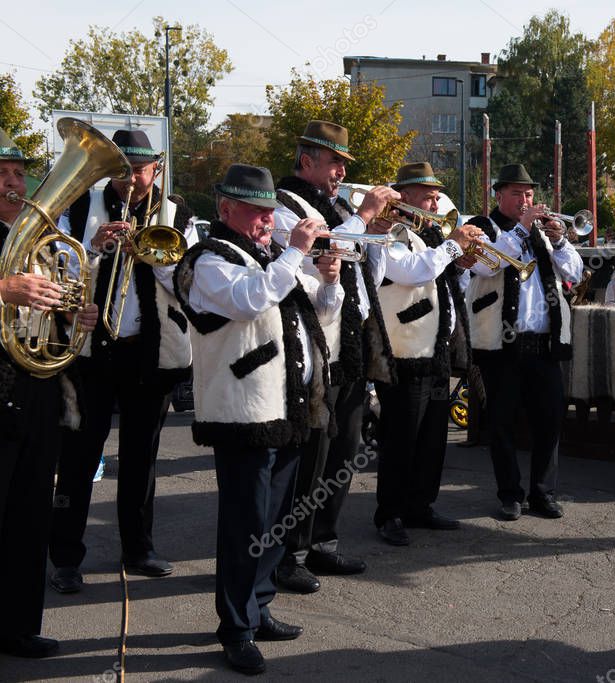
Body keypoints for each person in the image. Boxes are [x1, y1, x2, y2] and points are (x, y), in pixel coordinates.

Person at [174, 164, 344, 675]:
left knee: (275, 522)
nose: (267, 220)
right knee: (246, 524)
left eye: (270, 211)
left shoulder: (270, 257)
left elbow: (319, 314)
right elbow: (249, 301)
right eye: (256, 211)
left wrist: (329, 283)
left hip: (284, 407)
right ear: (226, 210)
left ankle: (260, 606)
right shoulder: (208, 259)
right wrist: (295, 252)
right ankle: (236, 627)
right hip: (242, 409)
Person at [49, 129, 195, 594]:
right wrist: (94, 247)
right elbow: (57, 269)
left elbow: (190, 283)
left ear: (156, 168)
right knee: (79, 458)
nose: (131, 179)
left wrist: (152, 255)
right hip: (91, 352)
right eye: (123, 170)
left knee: (140, 458)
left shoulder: (177, 213)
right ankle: (66, 558)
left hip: (149, 353)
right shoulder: (77, 205)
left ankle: (140, 548)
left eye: (140, 170)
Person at [270, 120, 397, 591]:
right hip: (315, 341)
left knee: (344, 448)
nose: (342, 171)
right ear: (307, 161)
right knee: (311, 453)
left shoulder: (339, 206)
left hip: (352, 338)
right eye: (334, 162)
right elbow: (321, 251)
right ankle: (290, 553)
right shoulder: (285, 206)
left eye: (344, 164)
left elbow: (365, 270)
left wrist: (377, 235)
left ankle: (324, 542)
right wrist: (363, 219)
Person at [0, 131, 99, 658]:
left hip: (36, 389)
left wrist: (73, 318)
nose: (16, 185)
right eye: (3, 175)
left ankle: (16, 626)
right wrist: (2, 288)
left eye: (19, 174)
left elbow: (48, 316)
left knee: (29, 513)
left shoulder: (38, 242)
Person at [365, 162, 482, 545]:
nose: (435, 200)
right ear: (406, 195)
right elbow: (412, 272)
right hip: (405, 349)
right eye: (427, 194)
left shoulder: (429, 233)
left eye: (436, 193)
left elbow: (445, 281)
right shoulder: (392, 230)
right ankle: (391, 514)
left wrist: (461, 262)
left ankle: (420, 505)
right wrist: (453, 246)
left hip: (436, 350)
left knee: (433, 436)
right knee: (401, 437)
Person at [465, 164, 582, 521]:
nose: (525, 200)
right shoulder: (483, 227)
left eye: (529, 194)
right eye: (517, 194)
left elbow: (574, 273)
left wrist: (559, 240)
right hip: (501, 345)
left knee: (549, 420)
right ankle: (510, 495)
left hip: (543, 345)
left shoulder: (542, 235)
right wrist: (522, 227)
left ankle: (543, 493)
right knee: (501, 423)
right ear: (498, 196)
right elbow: (486, 265)